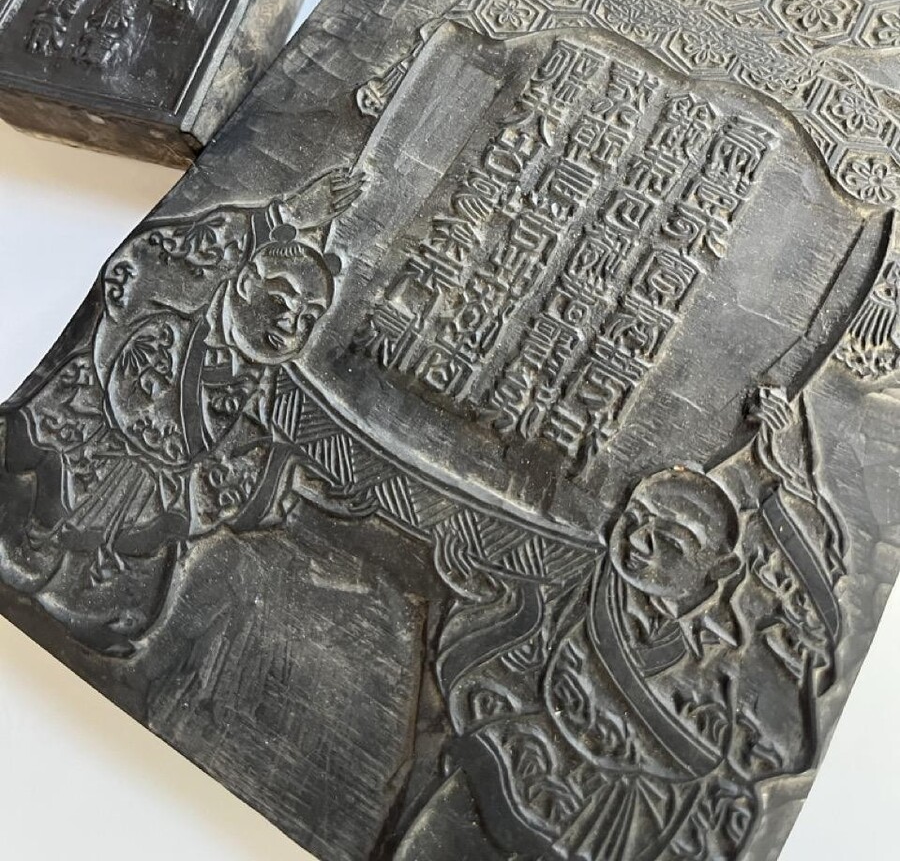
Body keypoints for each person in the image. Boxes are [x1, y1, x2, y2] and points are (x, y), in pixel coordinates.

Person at [394, 388, 843, 861]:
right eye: (636, 519)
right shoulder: (584, 579)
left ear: (720, 568)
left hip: (606, 829)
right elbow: (509, 615)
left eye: (671, 540)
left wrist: (791, 478)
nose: (639, 541)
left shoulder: (729, 658)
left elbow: (770, 744)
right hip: (504, 766)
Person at [0, 167, 362, 653]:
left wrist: (283, 475)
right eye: (280, 301)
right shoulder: (181, 317)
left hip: (159, 482)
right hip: (95, 426)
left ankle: (82, 608)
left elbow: (240, 449)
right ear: (244, 283)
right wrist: (280, 217)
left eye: (307, 319)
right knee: (44, 480)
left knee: (134, 570)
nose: (290, 325)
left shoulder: (258, 384)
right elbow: (161, 261)